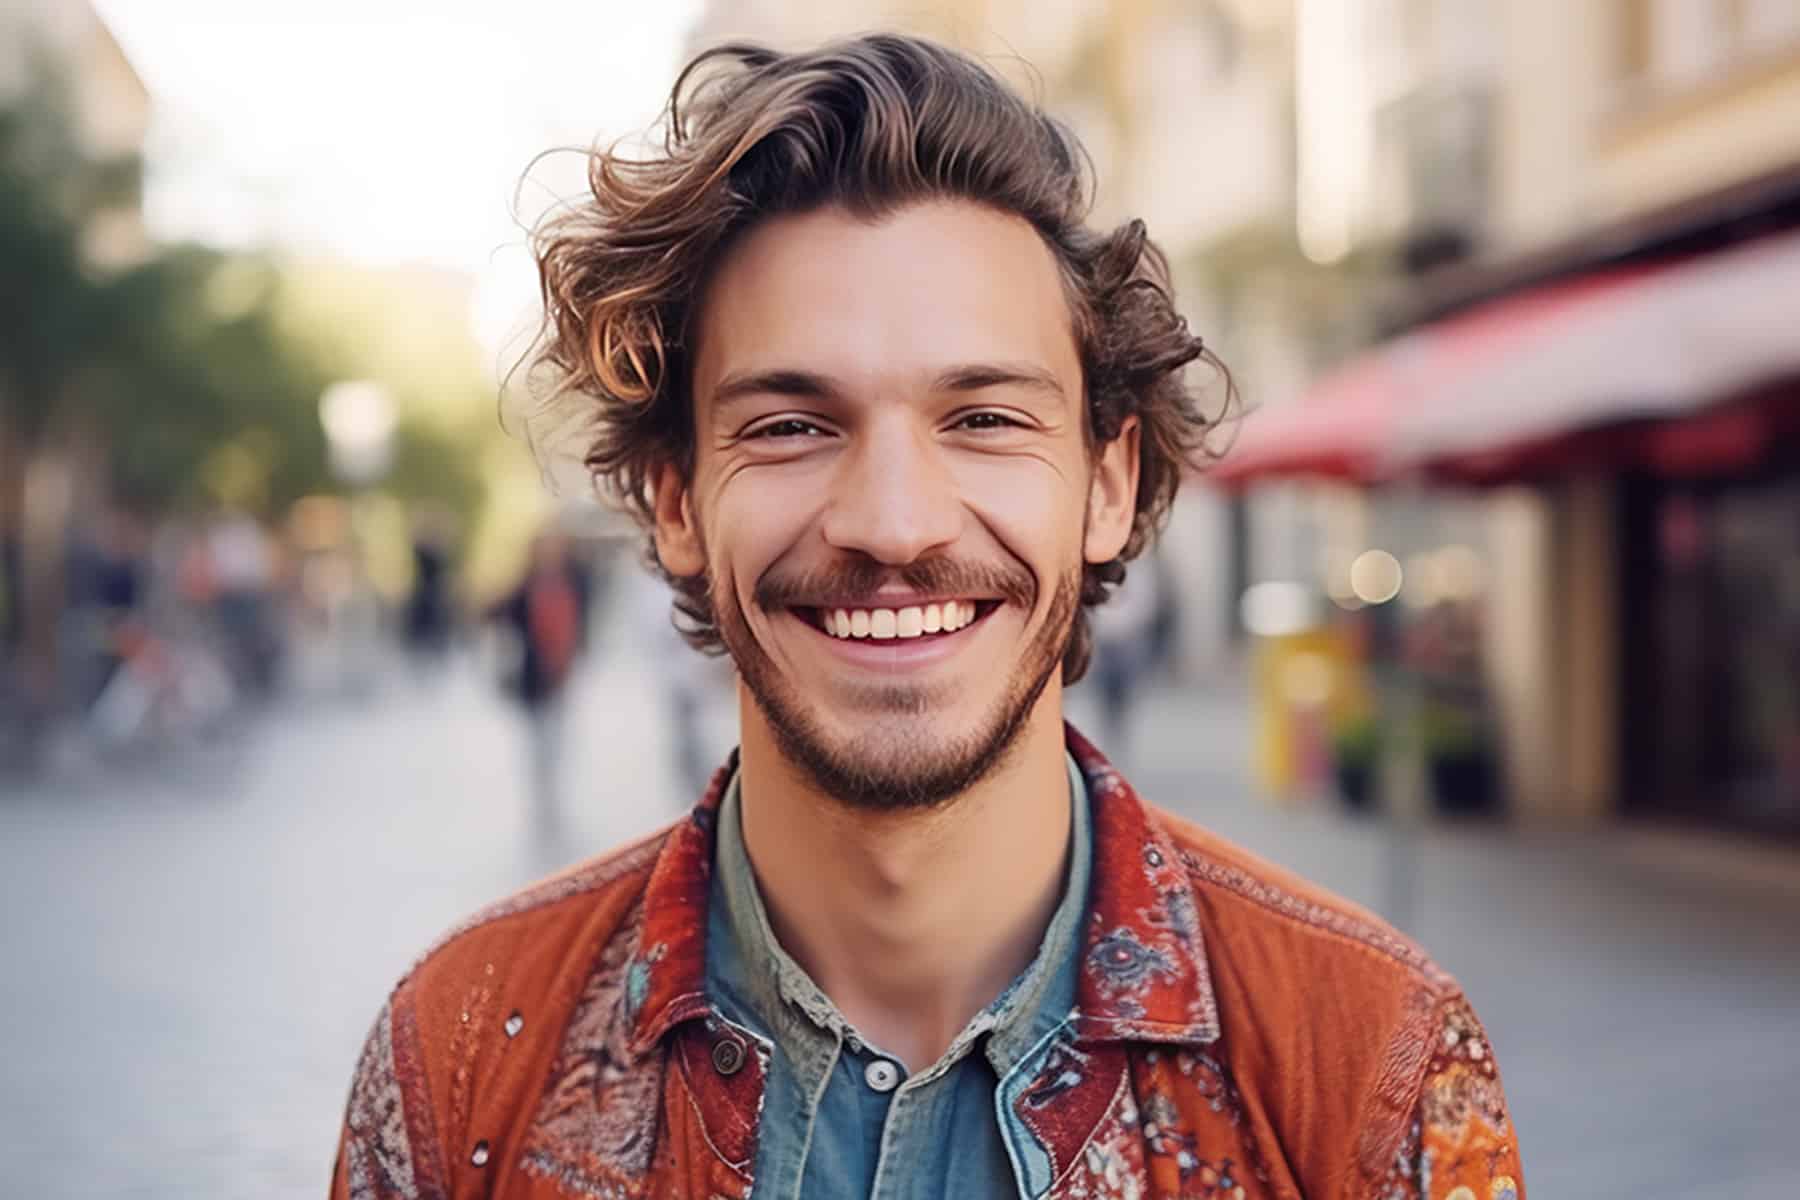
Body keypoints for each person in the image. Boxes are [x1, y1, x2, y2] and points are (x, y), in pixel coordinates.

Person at [333, 35, 1522, 1200]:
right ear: (678, 501)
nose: (895, 525)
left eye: (986, 419)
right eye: (792, 424)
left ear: (1106, 487)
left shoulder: (1370, 1067)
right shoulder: (462, 1056)